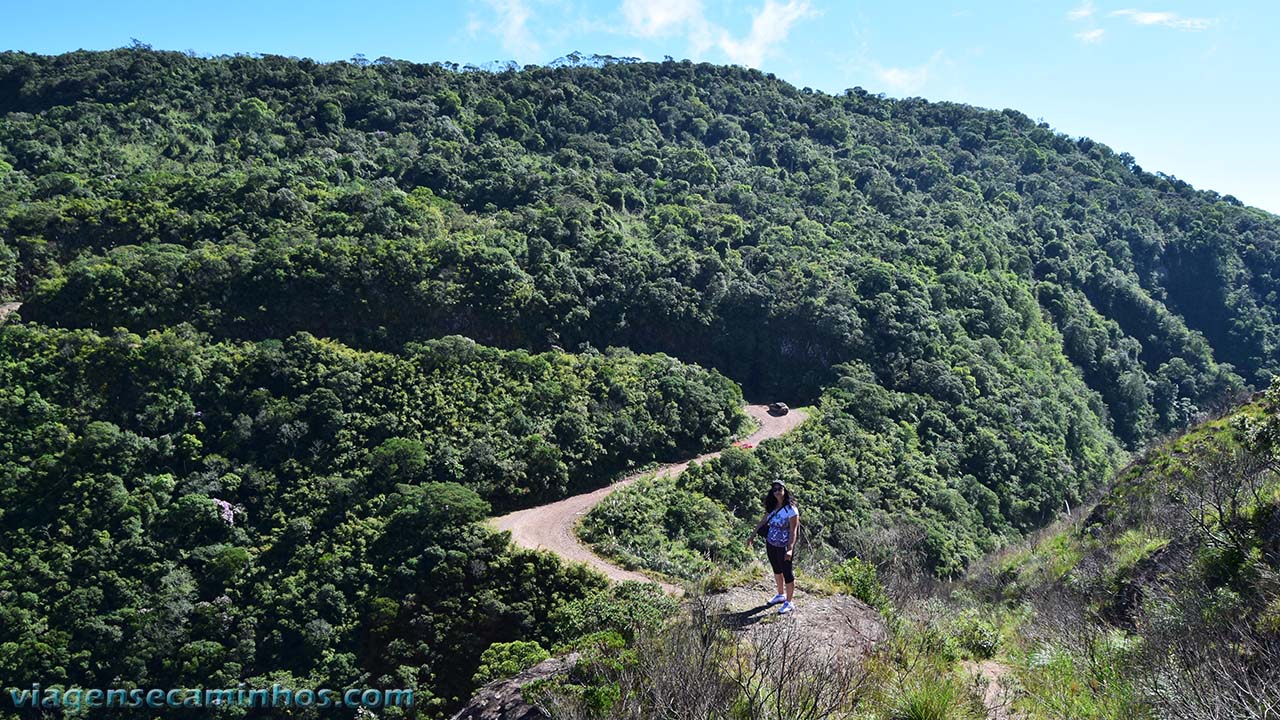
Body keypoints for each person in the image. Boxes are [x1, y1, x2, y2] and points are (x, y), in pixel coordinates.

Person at [747, 480, 799, 614]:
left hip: (783, 545)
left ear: (784, 490)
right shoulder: (772, 506)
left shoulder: (791, 509)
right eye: (774, 489)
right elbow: (763, 521)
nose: (777, 491)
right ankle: (780, 594)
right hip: (771, 543)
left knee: (787, 572)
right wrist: (752, 535)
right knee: (776, 569)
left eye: (779, 488)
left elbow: (793, 530)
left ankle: (789, 602)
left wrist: (790, 549)